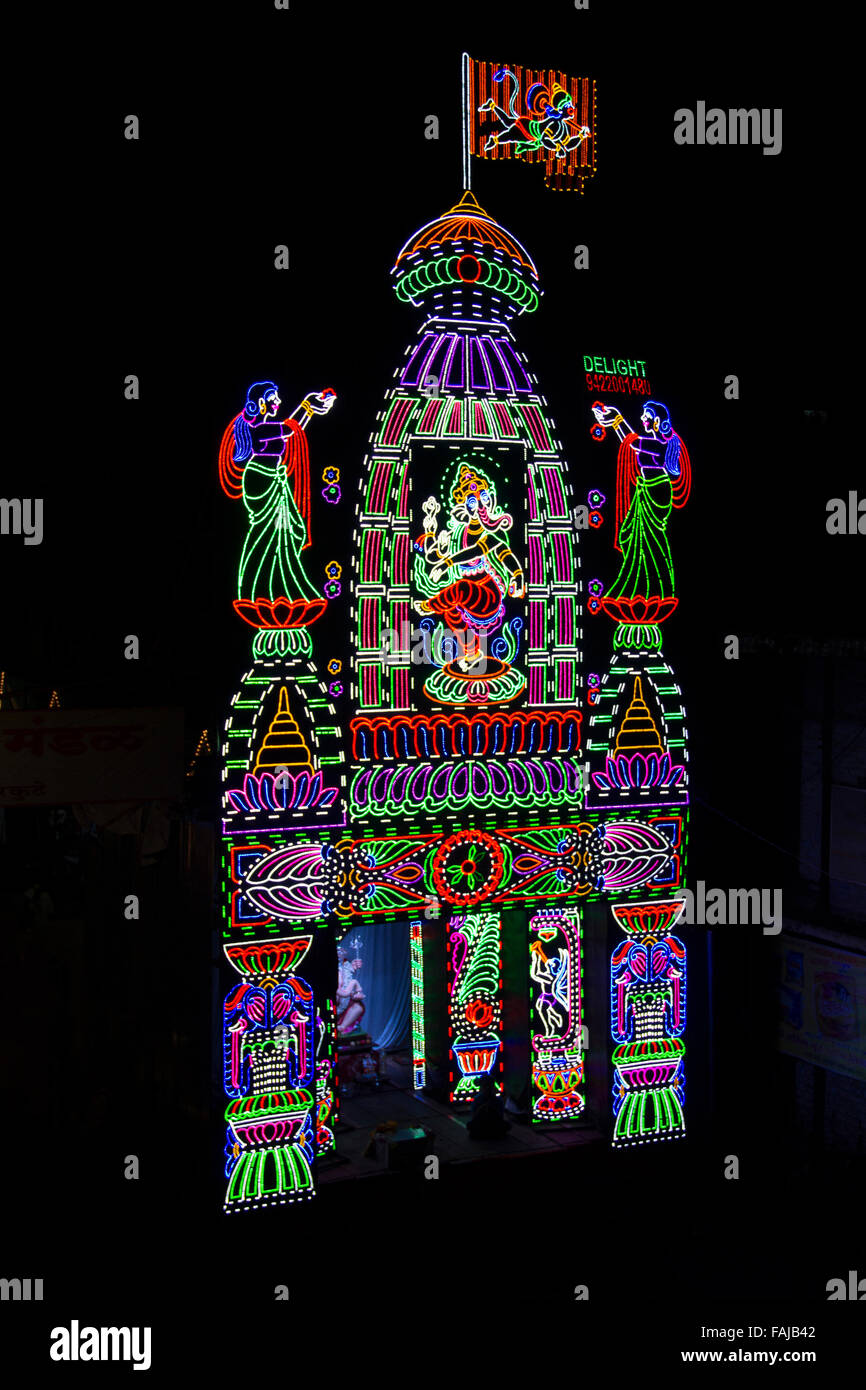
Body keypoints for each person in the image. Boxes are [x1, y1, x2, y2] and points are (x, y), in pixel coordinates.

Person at [466, 1073, 511, 1140]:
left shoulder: (496, 1100)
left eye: (489, 1086)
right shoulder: (478, 1099)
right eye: (485, 1086)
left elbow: (500, 1115)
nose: (487, 1088)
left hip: (491, 1125)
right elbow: (474, 1116)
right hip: (485, 1125)